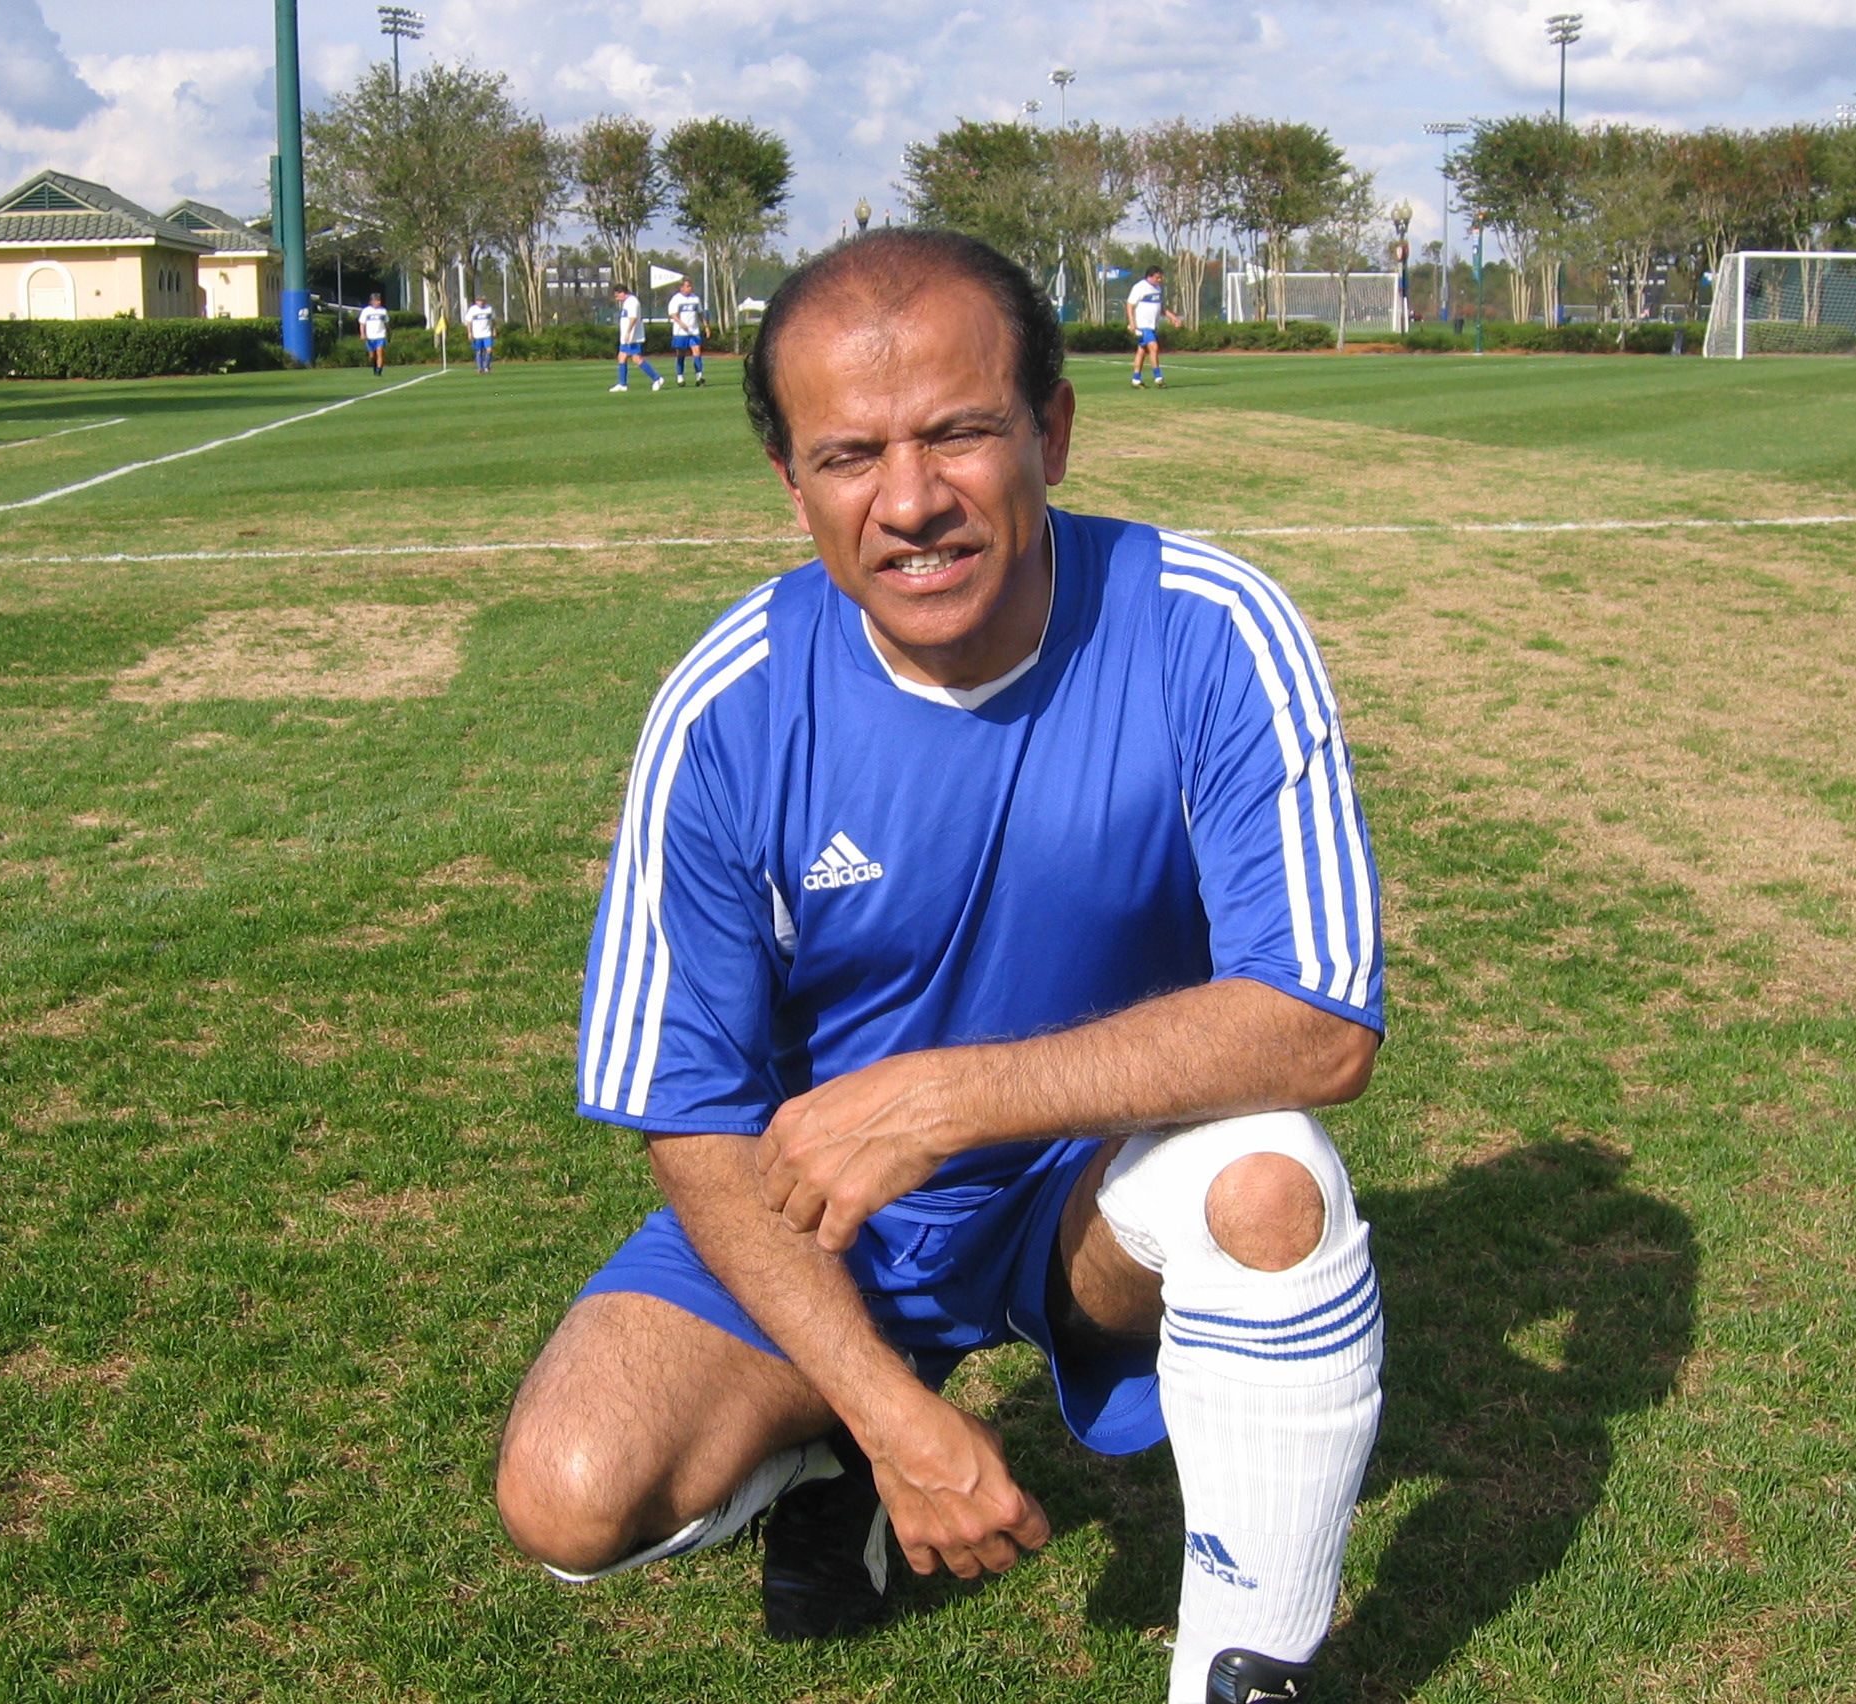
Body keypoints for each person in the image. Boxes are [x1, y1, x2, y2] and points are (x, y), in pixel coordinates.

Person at [496, 229, 1385, 1704]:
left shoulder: (1210, 628)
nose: (909, 502)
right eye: (849, 456)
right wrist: (888, 1416)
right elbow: (691, 1115)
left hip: (1093, 1196)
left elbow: (1316, 1023)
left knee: (1269, 1183)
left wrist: (944, 1102)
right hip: (832, 1217)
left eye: (959, 433)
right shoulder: (726, 708)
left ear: (1052, 431)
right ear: (791, 482)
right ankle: (831, 1456)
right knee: (570, 1494)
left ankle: (1248, 1674)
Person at [1127, 265, 1181, 387]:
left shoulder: (1158, 288)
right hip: (1142, 325)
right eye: (1157, 278)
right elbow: (1130, 305)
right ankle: (1158, 377)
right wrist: (1132, 322)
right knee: (1154, 347)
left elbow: (1161, 308)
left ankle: (1136, 379)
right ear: (1149, 277)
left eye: (1160, 277)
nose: (1159, 280)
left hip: (1152, 325)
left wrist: (1173, 318)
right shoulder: (1140, 287)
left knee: (1142, 351)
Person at [610, 286, 665, 393]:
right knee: (621, 357)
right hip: (626, 337)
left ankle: (657, 378)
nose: (617, 298)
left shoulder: (632, 302)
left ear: (622, 293)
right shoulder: (626, 303)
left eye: (617, 296)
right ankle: (622, 384)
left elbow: (633, 318)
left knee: (636, 359)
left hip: (632, 337)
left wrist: (628, 332)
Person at [666, 277, 708, 386]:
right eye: (687, 286)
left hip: (694, 331)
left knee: (697, 352)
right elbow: (672, 314)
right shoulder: (676, 299)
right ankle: (680, 377)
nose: (690, 288)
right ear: (682, 288)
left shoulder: (695, 299)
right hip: (680, 332)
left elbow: (700, 313)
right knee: (681, 354)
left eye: (690, 286)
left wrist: (706, 326)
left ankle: (699, 377)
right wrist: (681, 323)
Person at [358, 293, 392, 375]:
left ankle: (378, 371)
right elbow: (362, 324)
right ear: (372, 301)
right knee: (372, 356)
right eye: (377, 300)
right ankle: (375, 366)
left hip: (380, 335)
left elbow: (387, 324)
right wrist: (362, 334)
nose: (379, 302)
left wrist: (389, 333)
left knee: (380, 353)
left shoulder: (383, 311)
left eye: (379, 300)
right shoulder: (366, 311)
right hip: (370, 337)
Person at [463, 294, 496, 374]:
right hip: (477, 335)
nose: (481, 302)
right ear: (476, 302)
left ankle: (486, 366)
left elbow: (493, 321)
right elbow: (469, 322)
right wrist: (469, 332)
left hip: (487, 333)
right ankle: (480, 368)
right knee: (479, 351)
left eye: (482, 301)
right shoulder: (472, 310)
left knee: (489, 350)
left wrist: (494, 330)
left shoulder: (489, 308)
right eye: (479, 301)